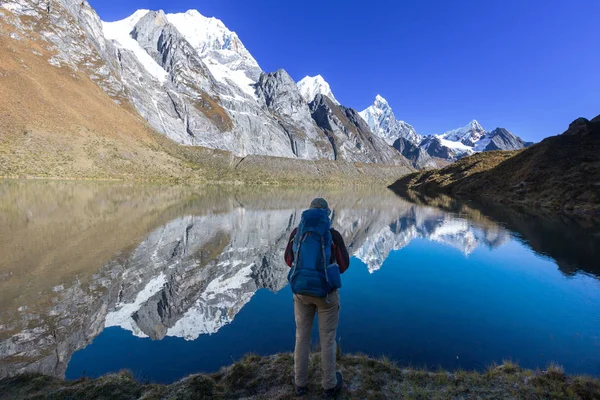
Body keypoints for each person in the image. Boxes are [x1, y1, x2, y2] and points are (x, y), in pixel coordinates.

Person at [284, 198, 350, 398]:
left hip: (301, 293)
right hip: (326, 296)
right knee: (327, 340)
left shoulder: (298, 233)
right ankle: (329, 386)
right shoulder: (333, 235)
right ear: (326, 214)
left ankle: (300, 383)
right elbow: (344, 265)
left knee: (301, 337)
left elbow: (288, 261)